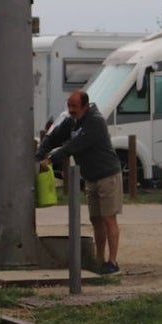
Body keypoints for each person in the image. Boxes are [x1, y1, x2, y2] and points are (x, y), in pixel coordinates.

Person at [36, 89, 123, 275]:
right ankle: (100, 260)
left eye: (74, 106)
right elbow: (55, 136)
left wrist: (51, 159)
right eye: (69, 106)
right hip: (91, 177)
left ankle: (113, 261)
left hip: (107, 174)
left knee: (109, 219)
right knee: (96, 220)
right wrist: (39, 152)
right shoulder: (73, 121)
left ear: (85, 106)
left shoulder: (95, 122)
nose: (71, 110)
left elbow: (74, 146)